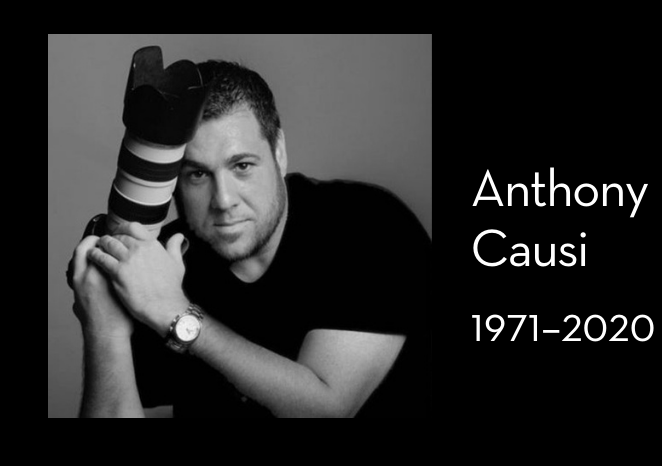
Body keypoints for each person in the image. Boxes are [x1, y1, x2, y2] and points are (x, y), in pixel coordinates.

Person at [70, 60, 431, 418]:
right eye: (197, 174)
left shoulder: (369, 226)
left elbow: (326, 410)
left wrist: (176, 314)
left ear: (279, 152)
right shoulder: (157, 267)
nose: (223, 200)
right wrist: (104, 328)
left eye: (242, 166)